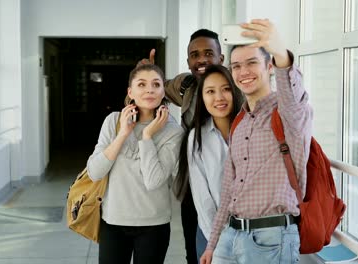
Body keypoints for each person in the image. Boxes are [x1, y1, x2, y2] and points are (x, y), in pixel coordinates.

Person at [200, 19, 313, 264]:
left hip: (271, 238)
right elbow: (228, 189)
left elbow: (292, 91)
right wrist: (212, 245)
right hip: (230, 236)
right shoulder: (240, 121)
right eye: (237, 66)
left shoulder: (287, 113)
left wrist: (281, 52)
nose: (244, 72)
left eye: (252, 63)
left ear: (269, 66)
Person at [138, 29, 225, 264]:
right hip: (193, 185)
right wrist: (147, 74)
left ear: (221, 58)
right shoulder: (186, 85)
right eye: (195, 55)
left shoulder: (234, 88)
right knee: (194, 252)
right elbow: (156, 90)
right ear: (188, 62)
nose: (202, 60)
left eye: (208, 53)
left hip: (226, 186)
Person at [86, 64, 184, 264]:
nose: (149, 89)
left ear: (163, 91)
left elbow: (153, 181)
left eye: (156, 84)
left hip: (153, 224)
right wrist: (123, 133)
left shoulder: (173, 131)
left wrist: (147, 136)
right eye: (142, 84)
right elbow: (95, 172)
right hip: (113, 222)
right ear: (130, 92)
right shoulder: (113, 121)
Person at [184, 64, 244, 260]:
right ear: (202, 97)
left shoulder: (251, 129)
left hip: (252, 234)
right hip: (212, 234)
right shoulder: (197, 136)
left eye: (226, 89)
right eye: (210, 91)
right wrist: (217, 240)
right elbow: (203, 197)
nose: (219, 97)